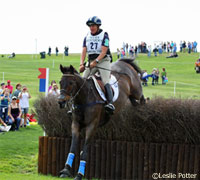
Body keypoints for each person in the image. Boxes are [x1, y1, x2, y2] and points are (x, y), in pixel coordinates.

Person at [79, 16, 115, 113]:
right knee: (83, 79)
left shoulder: (104, 35)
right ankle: (77, 105)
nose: (91, 27)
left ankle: (110, 103)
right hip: (91, 61)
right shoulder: (87, 37)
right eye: (90, 26)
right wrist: (81, 64)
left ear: (98, 26)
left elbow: (104, 51)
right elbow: (84, 50)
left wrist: (96, 62)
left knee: (105, 80)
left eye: (93, 25)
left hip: (103, 60)